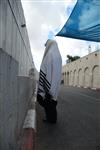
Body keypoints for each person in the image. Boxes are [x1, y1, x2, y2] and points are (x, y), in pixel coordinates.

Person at [37, 39, 62, 123]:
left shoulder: (50, 54)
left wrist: (46, 85)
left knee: (44, 100)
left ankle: (50, 119)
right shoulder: (59, 56)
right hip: (55, 85)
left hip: (49, 84)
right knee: (53, 102)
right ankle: (52, 119)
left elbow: (45, 69)